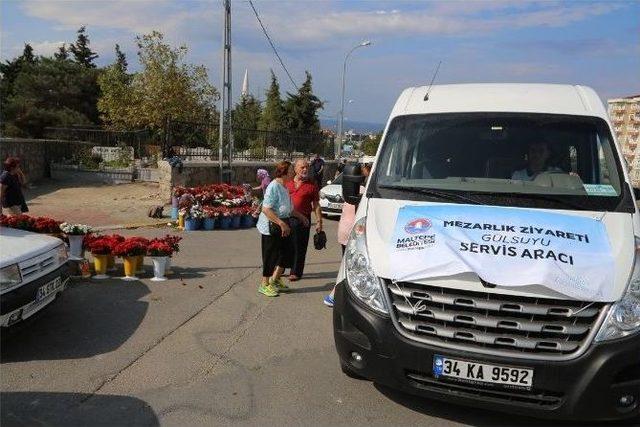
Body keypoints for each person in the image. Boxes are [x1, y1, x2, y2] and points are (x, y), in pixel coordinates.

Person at [256, 160, 309, 297]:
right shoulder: (273, 186)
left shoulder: (285, 187)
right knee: (270, 255)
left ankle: (275, 280)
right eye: (291, 170)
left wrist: (301, 217)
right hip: (271, 226)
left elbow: (289, 209)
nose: (293, 172)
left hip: (283, 224)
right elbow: (266, 209)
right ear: (285, 172)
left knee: (287, 254)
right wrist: (281, 223)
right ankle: (264, 284)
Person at [324, 163, 371, 307]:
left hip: (346, 231)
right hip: (353, 233)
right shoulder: (363, 192)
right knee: (349, 266)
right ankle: (334, 295)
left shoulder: (351, 189)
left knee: (348, 264)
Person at [286, 159, 323, 281]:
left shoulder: (312, 185)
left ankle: (296, 271)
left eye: (307, 167)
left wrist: (319, 222)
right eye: (302, 167)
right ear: (295, 169)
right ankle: (281, 268)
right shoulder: (288, 183)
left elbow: (316, 205)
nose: (305, 169)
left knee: (299, 246)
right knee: (285, 245)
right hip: (287, 218)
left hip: (303, 220)